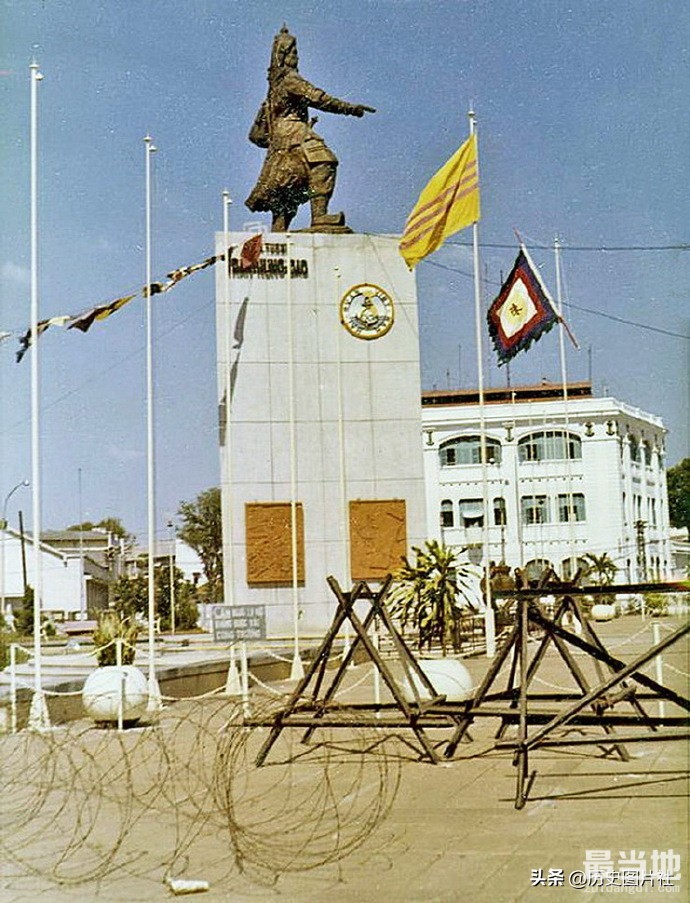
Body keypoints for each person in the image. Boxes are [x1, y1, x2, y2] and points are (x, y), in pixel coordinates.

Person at [246, 26, 375, 232]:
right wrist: (350, 109)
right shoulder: (291, 80)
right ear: (282, 56)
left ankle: (279, 229)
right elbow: (319, 98)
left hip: (280, 142)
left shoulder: (272, 93)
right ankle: (319, 216)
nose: (296, 57)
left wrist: (275, 140)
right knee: (324, 162)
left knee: (288, 182)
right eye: (292, 52)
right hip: (295, 132)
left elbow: (255, 135)